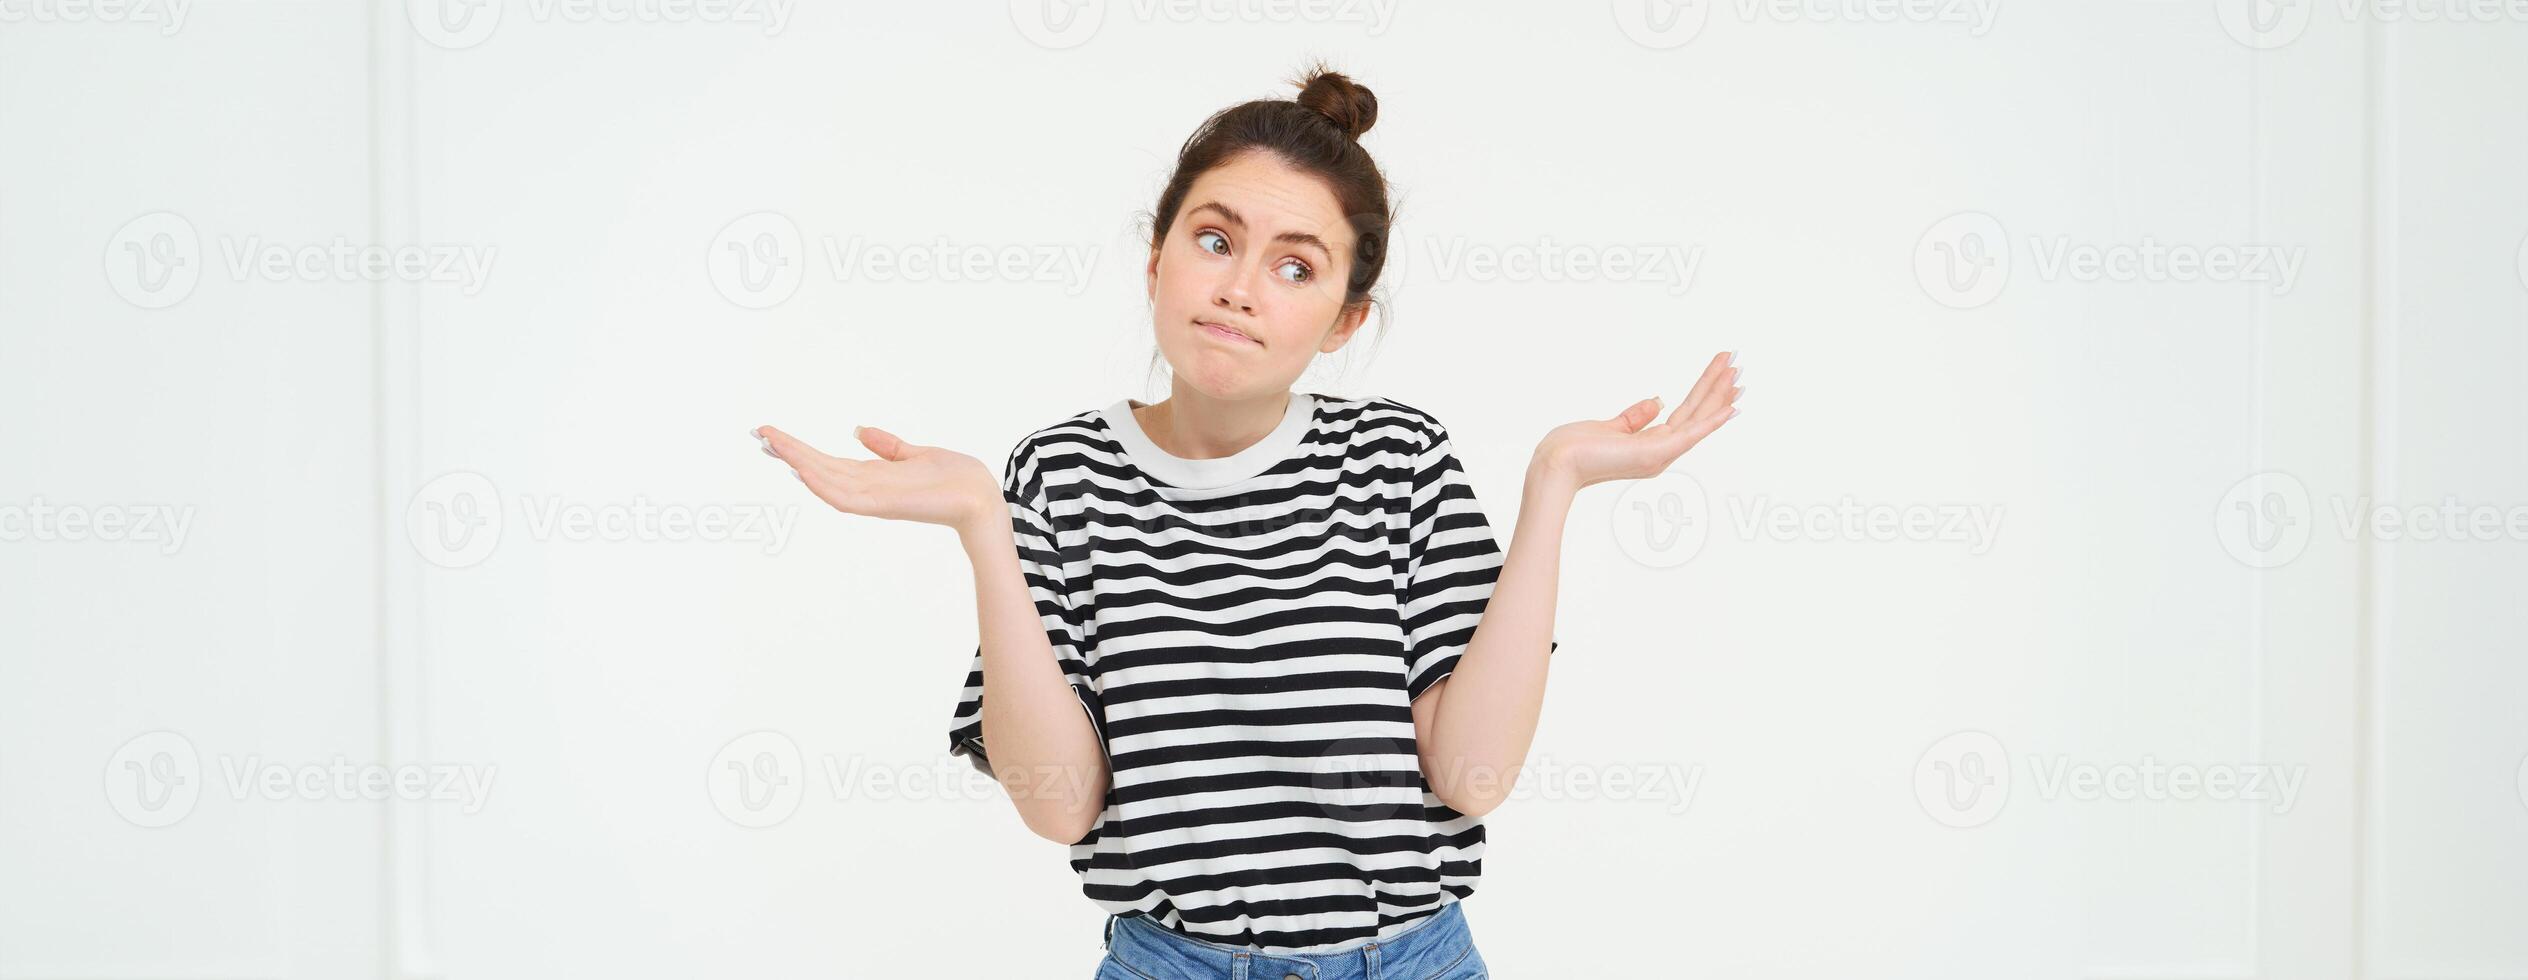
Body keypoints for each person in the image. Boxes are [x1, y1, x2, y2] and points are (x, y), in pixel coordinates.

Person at [754, 64, 1740, 980]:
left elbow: (1471, 775)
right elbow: (1059, 803)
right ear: (1156, 258)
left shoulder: (1399, 458)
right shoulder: (1058, 473)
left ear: (1343, 319)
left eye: (1295, 267)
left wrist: (1554, 481)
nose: (1237, 287)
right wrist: (981, 521)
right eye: (1214, 240)